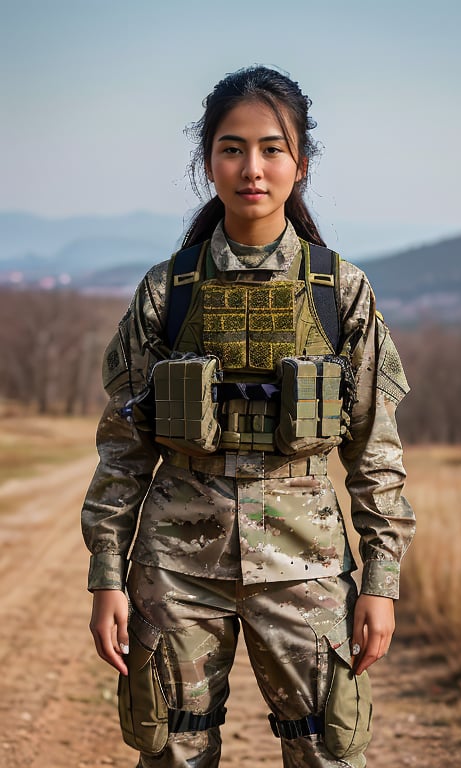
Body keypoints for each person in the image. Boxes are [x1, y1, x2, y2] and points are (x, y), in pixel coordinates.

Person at [81, 65, 415, 768]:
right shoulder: (168, 291)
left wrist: (380, 583)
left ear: (300, 162)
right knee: (171, 751)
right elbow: (122, 452)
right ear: (208, 162)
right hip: (177, 569)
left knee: (328, 753)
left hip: (307, 567)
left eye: (271, 148)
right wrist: (108, 574)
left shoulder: (339, 293)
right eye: (232, 148)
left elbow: (375, 455)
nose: (252, 168)